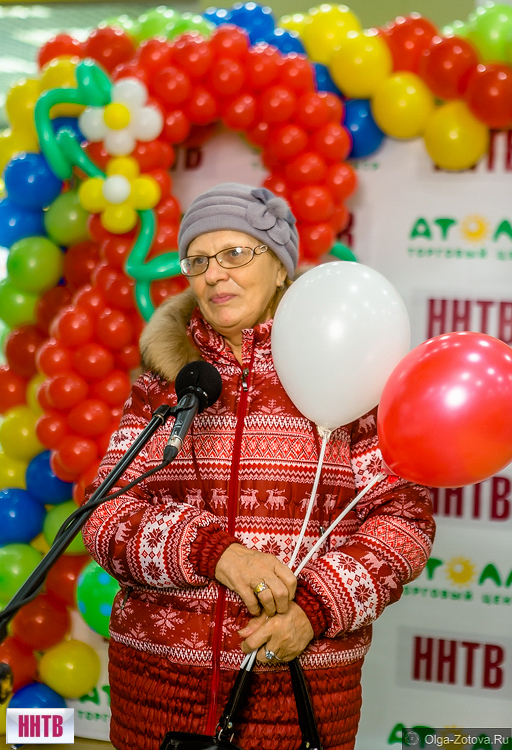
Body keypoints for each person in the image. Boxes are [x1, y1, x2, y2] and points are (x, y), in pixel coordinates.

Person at [83, 183, 435, 750]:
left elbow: (404, 522)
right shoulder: (167, 384)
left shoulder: (351, 369)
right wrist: (215, 552)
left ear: (279, 268)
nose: (214, 275)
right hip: (156, 694)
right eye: (198, 260)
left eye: (235, 253)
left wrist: (314, 610)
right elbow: (104, 518)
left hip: (299, 695)